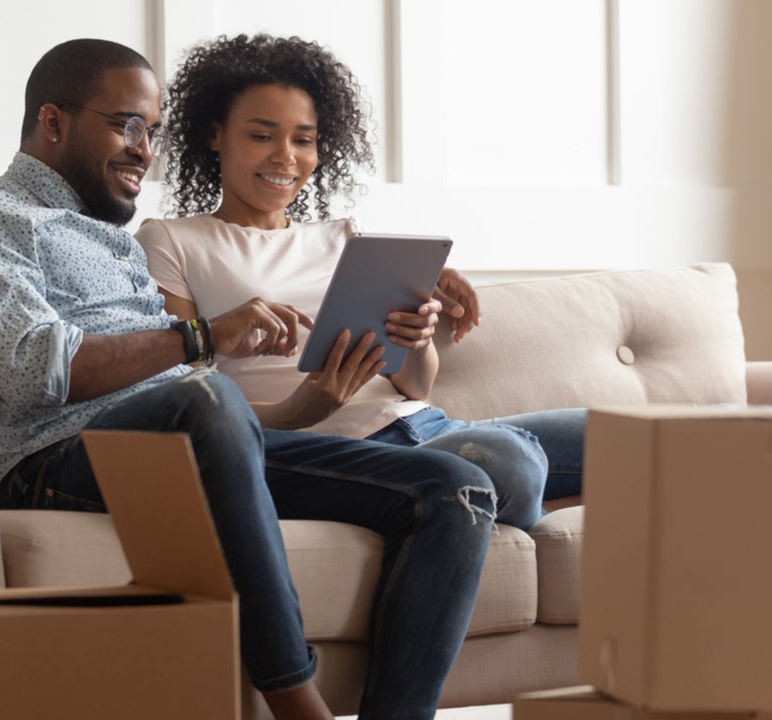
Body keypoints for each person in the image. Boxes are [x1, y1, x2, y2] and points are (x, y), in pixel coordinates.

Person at [0, 38, 541, 720]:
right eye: (126, 125)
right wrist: (203, 336)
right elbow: (31, 366)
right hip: (60, 455)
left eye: (150, 132)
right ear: (53, 121)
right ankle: (298, 703)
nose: (143, 150)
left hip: (189, 438)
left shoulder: (113, 240)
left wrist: (298, 407)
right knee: (204, 390)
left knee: (458, 489)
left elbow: (215, 424)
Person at [135, 33, 587, 531]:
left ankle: (513, 504)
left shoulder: (345, 237)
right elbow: (179, 399)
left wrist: (415, 339)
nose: (286, 155)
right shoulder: (172, 241)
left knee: (631, 434)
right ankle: (539, 508)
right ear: (215, 134)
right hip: (344, 452)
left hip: (425, 426)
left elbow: (414, 384)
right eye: (262, 136)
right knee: (510, 460)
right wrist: (296, 408)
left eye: (303, 139)